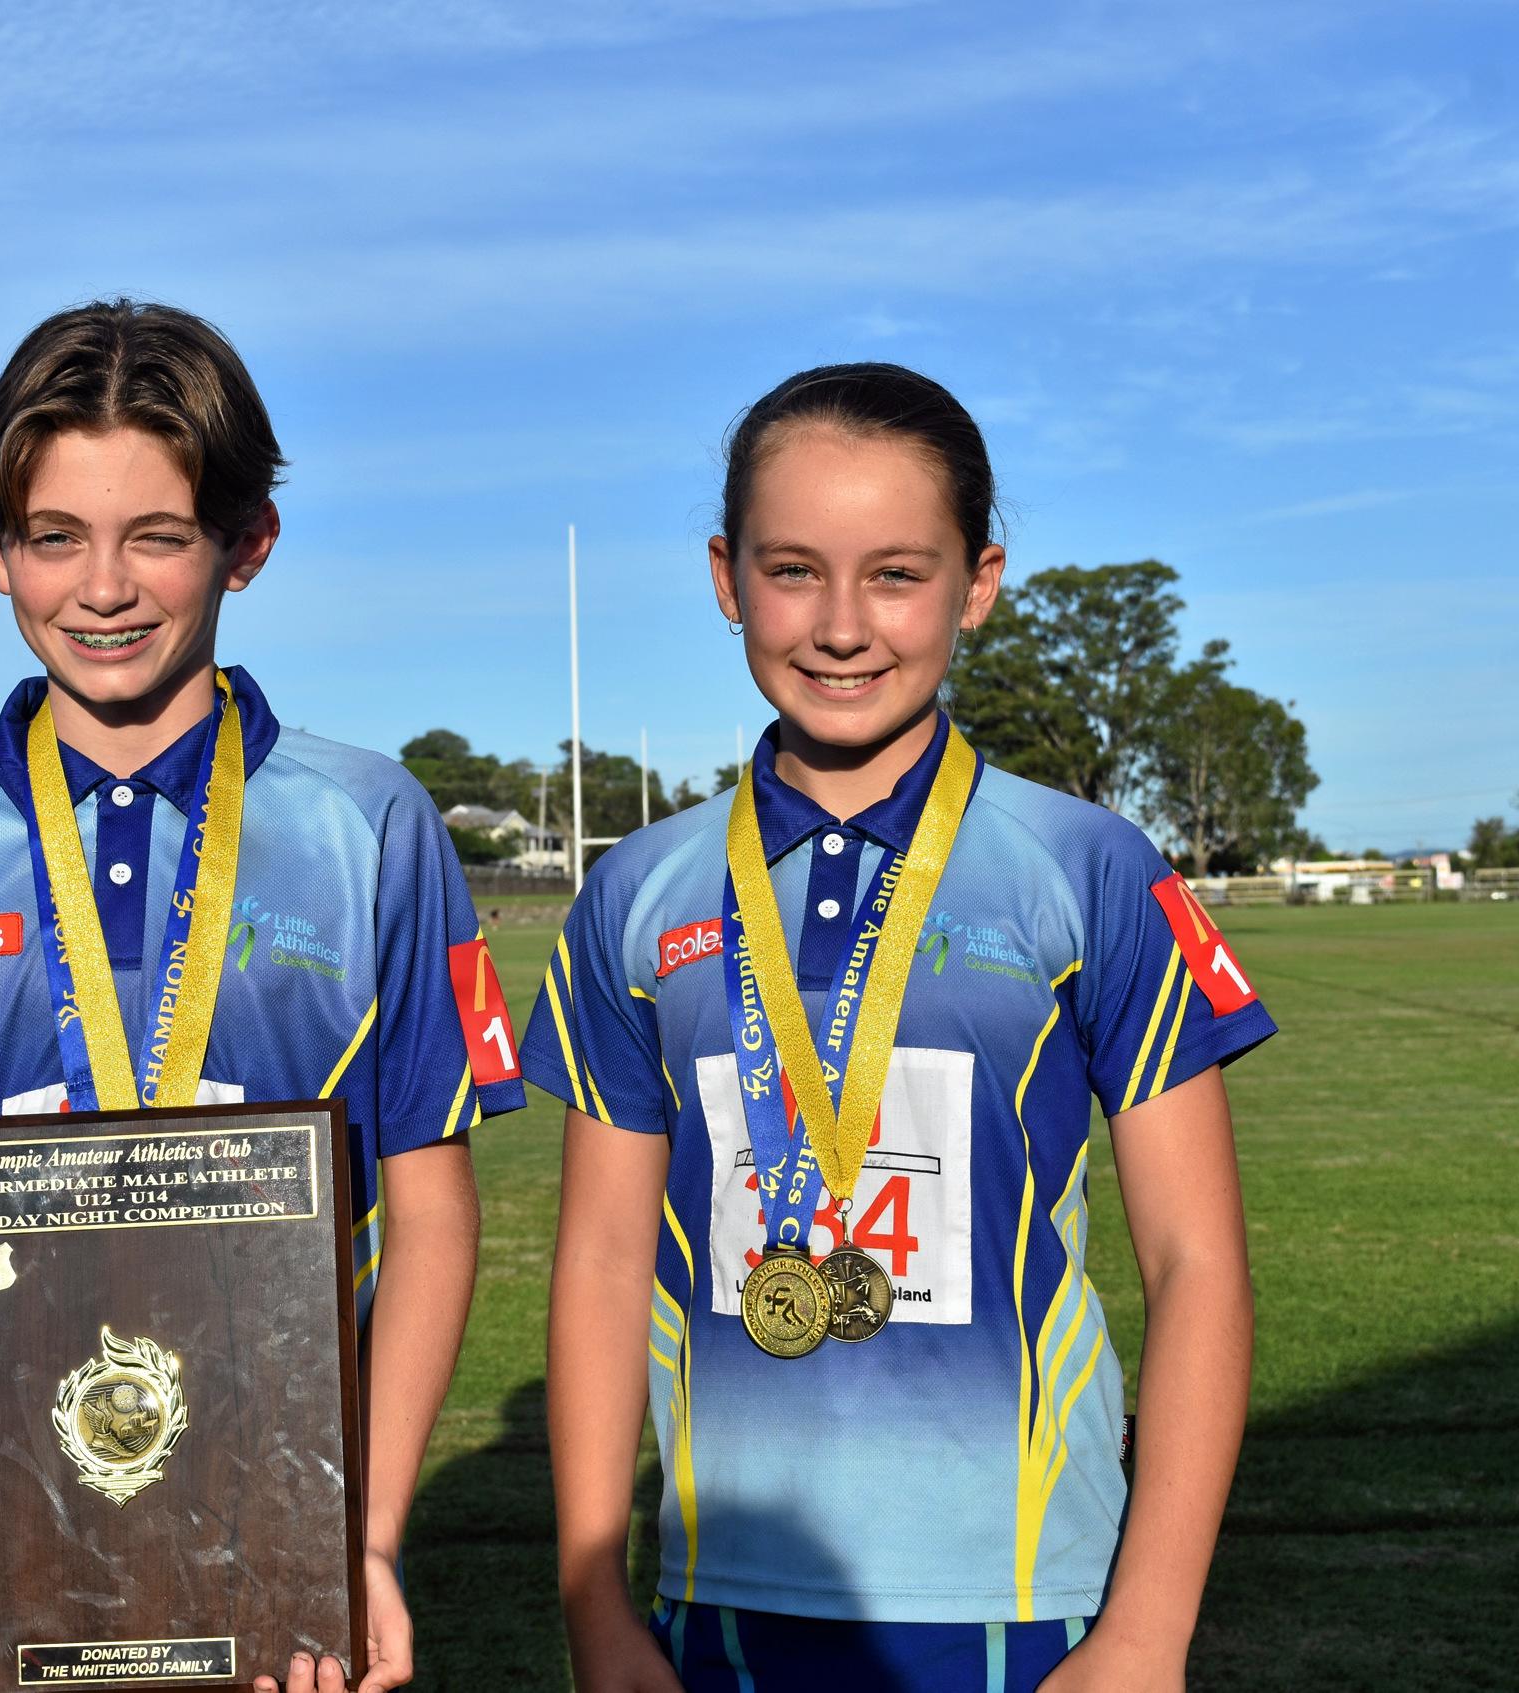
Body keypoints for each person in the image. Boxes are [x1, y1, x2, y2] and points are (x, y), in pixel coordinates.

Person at [0, 300, 525, 1693]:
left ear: (248, 541)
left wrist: (367, 1541)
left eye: (157, 534)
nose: (102, 587)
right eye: (55, 536)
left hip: (284, 1576)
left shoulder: (372, 825)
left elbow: (432, 1210)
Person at [528, 364, 1273, 1692]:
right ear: (725, 575)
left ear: (976, 582)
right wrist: (596, 1610)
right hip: (719, 1598)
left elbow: (1196, 1259)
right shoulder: (636, 893)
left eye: (895, 574)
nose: (838, 625)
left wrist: (1148, 1633)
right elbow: (595, 1261)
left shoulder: (1087, 865)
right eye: (793, 569)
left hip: (1030, 1601)